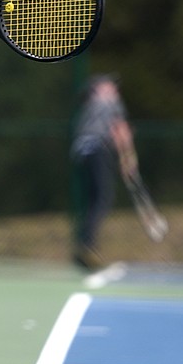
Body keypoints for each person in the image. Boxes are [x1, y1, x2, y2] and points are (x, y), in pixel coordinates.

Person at [69, 74, 138, 271]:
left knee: (93, 198)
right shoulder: (110, 104)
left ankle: (84, 244)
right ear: (98, 89)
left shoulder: (89, 107)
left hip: (81, 152)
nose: (115, 90)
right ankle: (88, 246)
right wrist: (128, 158)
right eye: (109, 86)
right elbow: (120, 130)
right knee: (103, 197)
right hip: (97, 149)